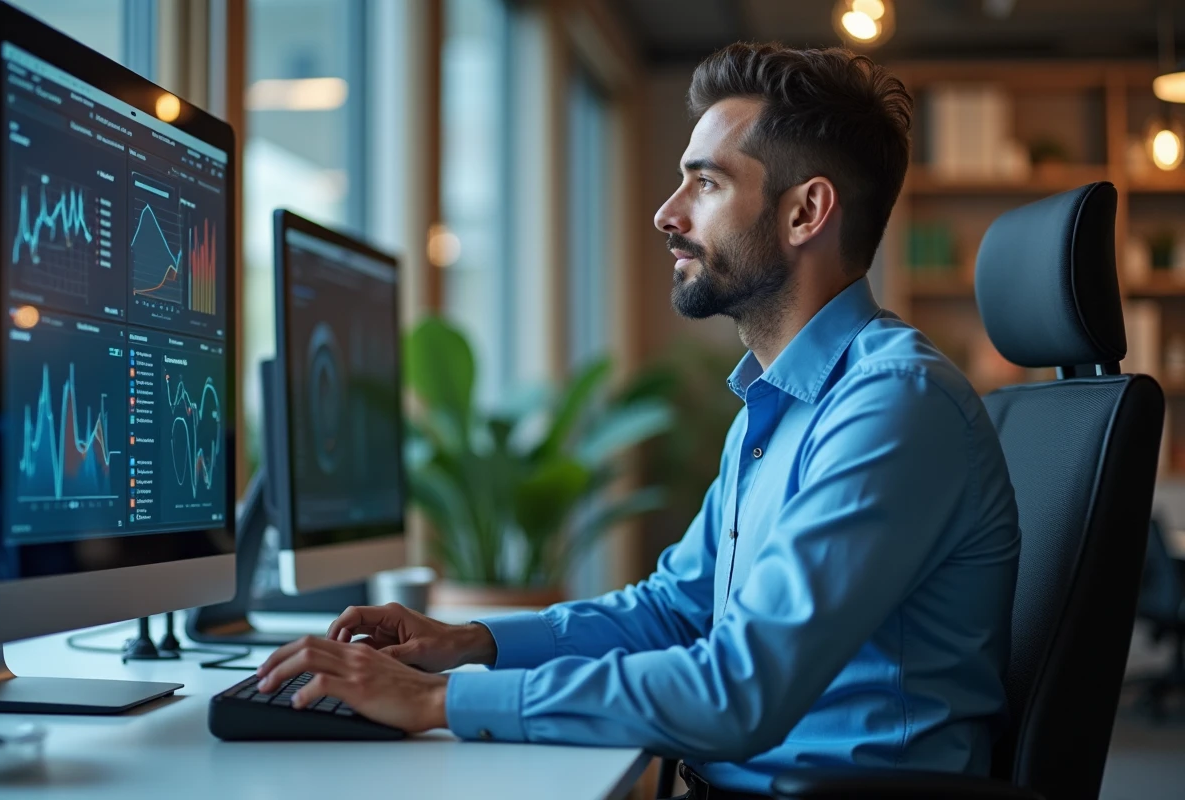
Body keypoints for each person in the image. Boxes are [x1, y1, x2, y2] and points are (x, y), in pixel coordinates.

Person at [256, 43, 1020, 799]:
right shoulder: (782, 401)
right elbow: (674, 610)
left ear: (805, 212)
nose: (667, 213)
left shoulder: (891, 405)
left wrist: (436, 701)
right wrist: (468, 643)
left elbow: (737, 692)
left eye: (706, 183)